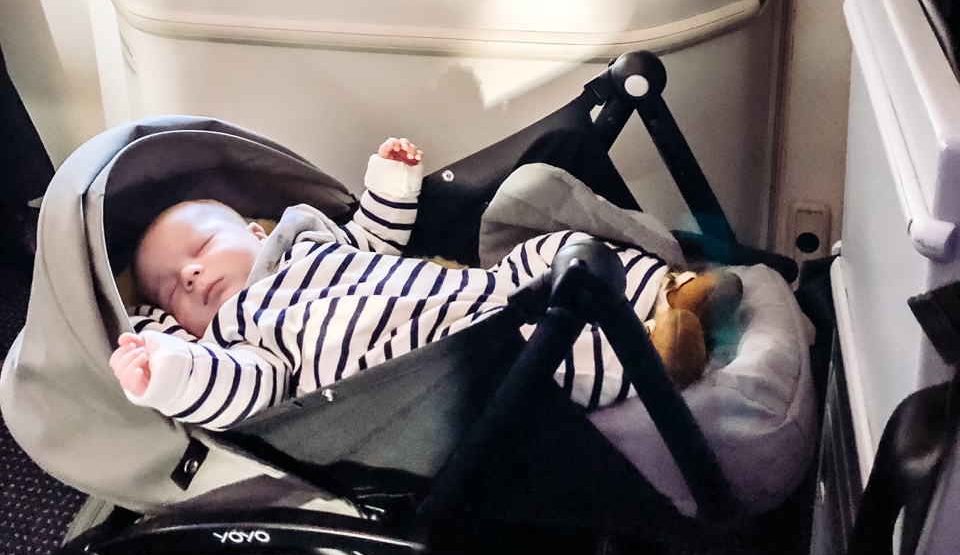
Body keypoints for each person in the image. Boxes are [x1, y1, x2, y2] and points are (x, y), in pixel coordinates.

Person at [110, 137, 741, 430]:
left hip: (474, 289)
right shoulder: (240, 339)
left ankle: (668, 289)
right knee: (536, 361)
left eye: (200, 249)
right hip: (438, 357)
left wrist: (389, 185)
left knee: (549, 253)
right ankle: (653, 357)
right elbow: (237, 391)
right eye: (170, 291)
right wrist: (170, 370)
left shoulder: (309, 243)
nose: (190, 275)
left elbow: (374, 236)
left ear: (256, 232)